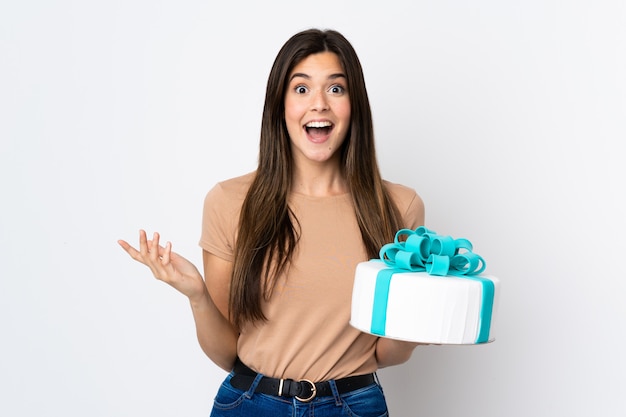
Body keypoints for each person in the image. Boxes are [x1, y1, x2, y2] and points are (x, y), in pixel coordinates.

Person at [118, 28, 425, 417]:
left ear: (355, 104)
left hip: (353, 405)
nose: (319, 105)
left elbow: (387, 353)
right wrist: (197, 295)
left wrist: (418, 327)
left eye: (336, 89)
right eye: (301, 89)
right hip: (251, 404)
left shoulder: (398, 207)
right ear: (279, 105)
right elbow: (226, 352)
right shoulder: (230, 202)